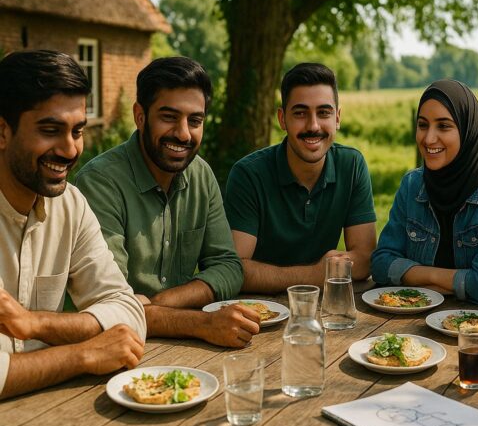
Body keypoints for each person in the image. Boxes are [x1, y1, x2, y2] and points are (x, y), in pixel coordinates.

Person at [75, 57, 260, 348]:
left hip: (185, 347)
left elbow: (228, 266)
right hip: (111, 348)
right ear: (140, 116)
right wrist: (201, 323)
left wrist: (162, 302)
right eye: (169, 117)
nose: (183, 133)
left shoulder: (201, 174)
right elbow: (109, 304)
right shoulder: (100, 183)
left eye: (195, 120)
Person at [0, 50, 146, 399]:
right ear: (3, 131)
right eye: (51, 130)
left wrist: (36, 323)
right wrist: (84, 353)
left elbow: (129, 312)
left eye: (77, 131)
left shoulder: (71, 205)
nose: (69, 149)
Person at [225, 63, 376, 293]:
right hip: (260, 312)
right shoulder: (248, 174)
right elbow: (234, 270)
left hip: (325, 310)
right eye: (300, 113)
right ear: (282, 118)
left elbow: (364, 260)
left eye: (323, 113)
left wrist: (316, 273)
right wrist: (318, 273)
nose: (313, 126)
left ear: (337, 118)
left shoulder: (352, 165)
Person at [371, 79, 478, 305]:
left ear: (467, 129)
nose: (429, 138)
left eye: (444, 126)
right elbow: (380, 264)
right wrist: (438, 279)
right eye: (422, 125)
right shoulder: (412, 184)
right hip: (412, 316)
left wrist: (415, 277)